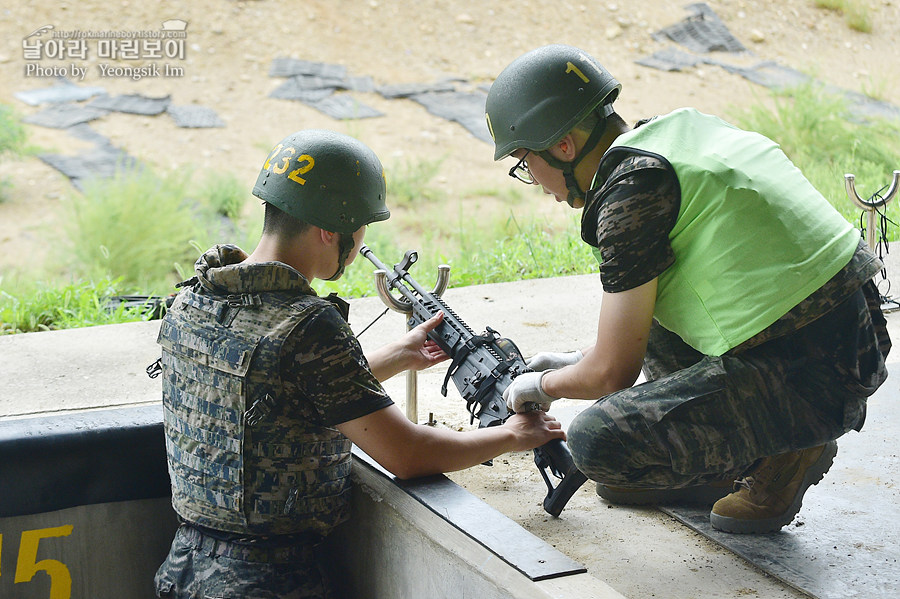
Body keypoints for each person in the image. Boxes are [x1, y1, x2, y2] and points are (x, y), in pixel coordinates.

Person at [488, 44, 891, 534]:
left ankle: (783, 451)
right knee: (646, 311)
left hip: (817, 377)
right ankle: (749, 443)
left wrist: (538, 386)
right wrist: (575, 361)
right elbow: (632, 332)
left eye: (526, 164)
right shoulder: (677, 131)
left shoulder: (628, 194)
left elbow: (613, 372)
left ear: (564, 146)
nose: (534, 181)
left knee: (597, 445)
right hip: (852, 331)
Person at [152, 129, 565, 598]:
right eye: (362, 224)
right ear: (331, 230)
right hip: (267, 582)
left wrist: (397, 355)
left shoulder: (196, 299)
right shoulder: (307, 325)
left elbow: (271, 390)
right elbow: (408, 455)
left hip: (184, 568)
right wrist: (513, 435)